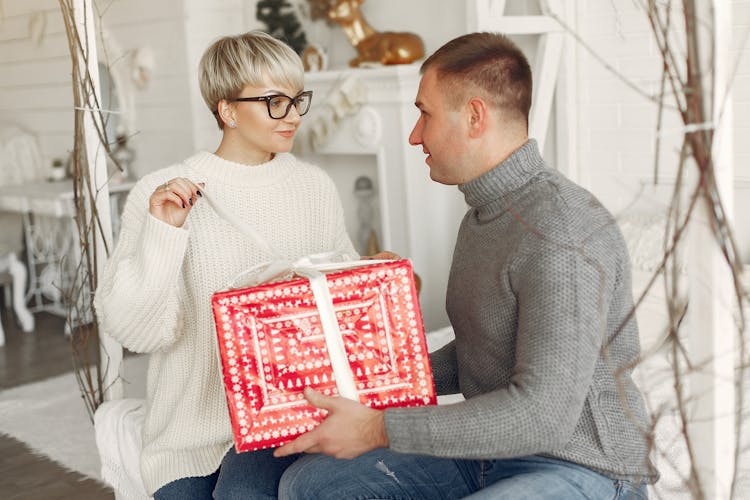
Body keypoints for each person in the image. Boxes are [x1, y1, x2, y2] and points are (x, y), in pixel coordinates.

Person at [273, 32, 658, 499]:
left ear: (475, 116)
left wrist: (379, 427)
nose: (414, 135)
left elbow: (544, 416)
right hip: (489, 454)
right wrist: (371, 385)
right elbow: (482, 350)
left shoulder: (560, 230)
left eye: (425, 114)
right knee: (310, 484)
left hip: (583, 465)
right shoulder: (484, 214)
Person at [93, 31, 356, 499]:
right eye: (275, 101)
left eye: (298, 99)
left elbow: (346, 307)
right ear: (227, 110)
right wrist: (164, 233)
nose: (293, 115)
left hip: (293, 418)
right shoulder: (162, 193)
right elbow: (134, 330)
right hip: (188, 437)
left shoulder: (315, 188)